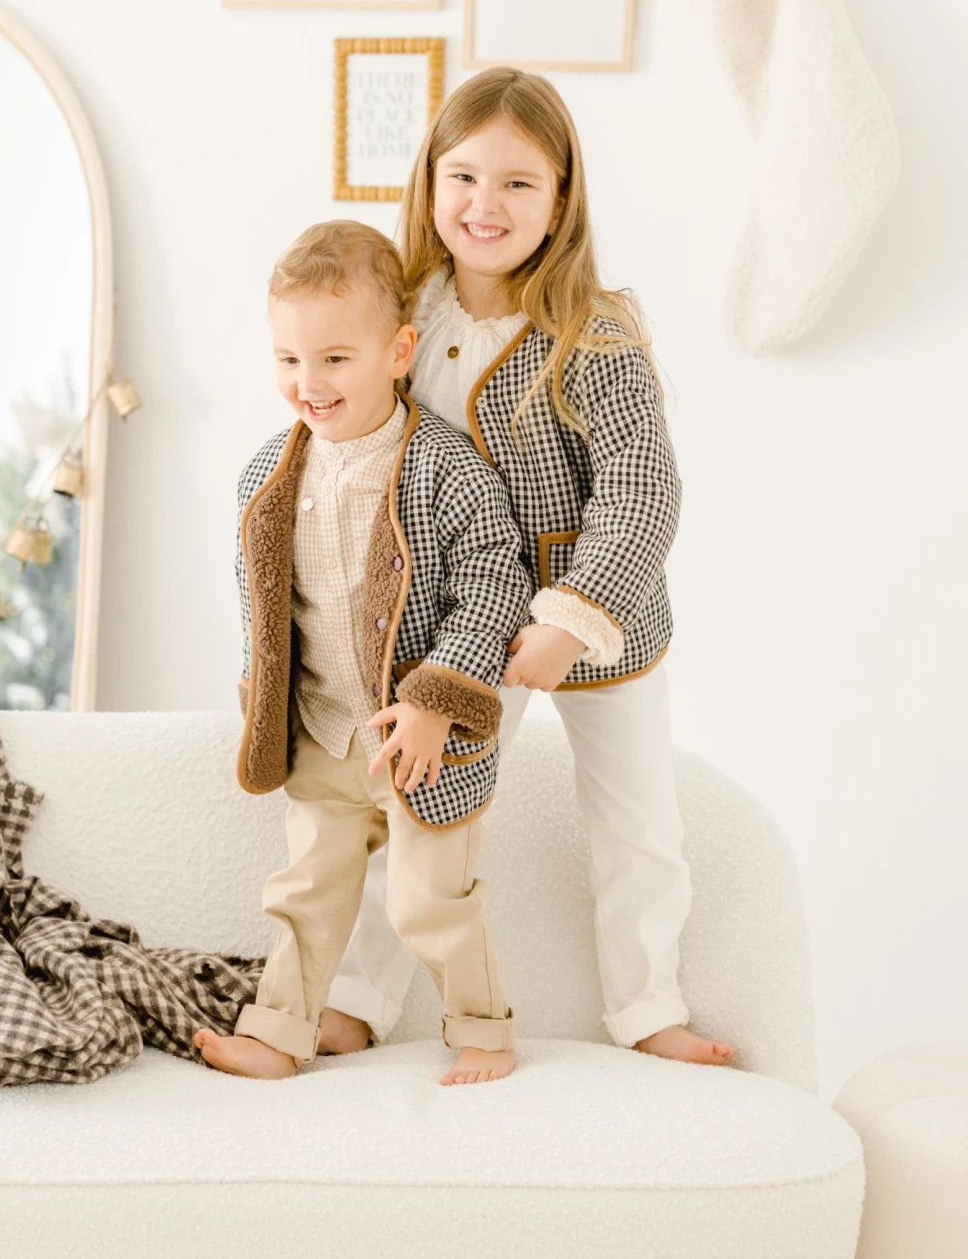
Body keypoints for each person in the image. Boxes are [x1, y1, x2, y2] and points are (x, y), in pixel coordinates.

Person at [318, 69, 734, 1068]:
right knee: (414, 804)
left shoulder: (596, 334)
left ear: (560, 202)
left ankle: (648, 1009)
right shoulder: (402, 320)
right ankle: (355, 997)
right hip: (456, 626)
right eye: (462, 176)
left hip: (591, 627)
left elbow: (641, 491)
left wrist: (573, 617)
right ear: (428, 186)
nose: (484, 204)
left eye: (517, 183)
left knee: (638, 825)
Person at [195, 219, 531, 1085]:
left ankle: (485, 1031)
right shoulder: (266, 476)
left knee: (428, 902)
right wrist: (259, 690)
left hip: (419, 742)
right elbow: (261, 600)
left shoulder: (443, 470)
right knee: (306, 893)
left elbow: (497, 580)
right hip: (324, 733)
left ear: (398, 350)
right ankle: (278, 1032)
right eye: (289, 361)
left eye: (334, 359)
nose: (309, 384)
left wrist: (435, 700)